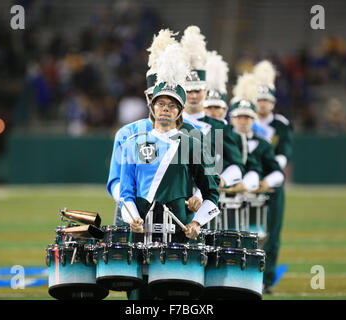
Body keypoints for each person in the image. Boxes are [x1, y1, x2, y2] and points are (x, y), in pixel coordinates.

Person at [119, 44, 220, 300]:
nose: (165, 108)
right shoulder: (133, 142)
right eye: (160, 103)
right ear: (152, 107)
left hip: (179, 232)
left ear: (180, 111)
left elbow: (213, 194)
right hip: (141, 231)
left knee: (176, 296)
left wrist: (197, 222)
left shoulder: (194, 144)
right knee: (139, 297)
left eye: (172, 105)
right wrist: (131, 217)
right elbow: (126, 193)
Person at [106, 29, 203, 226]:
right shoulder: (127, 133)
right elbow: (115, 181)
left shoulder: (194, 134)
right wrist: (132, 210)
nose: (161, 107)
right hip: (133, 213)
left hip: (180, 216)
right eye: (156, 99)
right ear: (148, 98)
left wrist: (199, 198)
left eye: (170, 102)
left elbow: (209, 179)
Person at [180, 26, 255, 190]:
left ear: (205, 92)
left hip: (207, 201)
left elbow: (236, 166)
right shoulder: (171, 124)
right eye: (188, 91)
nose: (193, 95)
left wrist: (222, 180)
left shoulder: (218, 127)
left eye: (197, 90)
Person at [253, 60, 293, 294]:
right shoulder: (244, 119)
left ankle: (267, 279)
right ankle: (244, 273)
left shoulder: (281, 124)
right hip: (246, 184)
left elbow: (284, 154)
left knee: (272, 231)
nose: (263, 104)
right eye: (259, 99)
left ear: (274, 102)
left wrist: (268, 175)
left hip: (272, 183)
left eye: (267, 100)